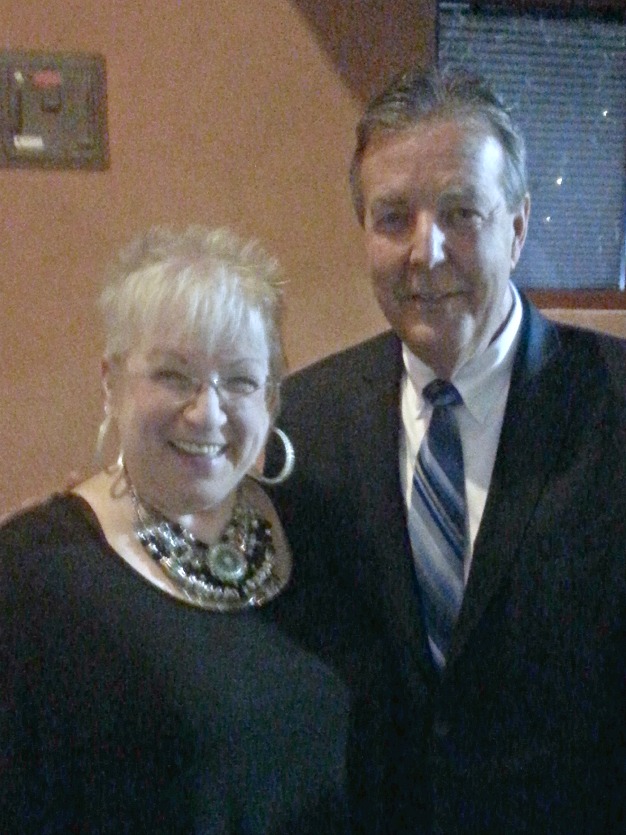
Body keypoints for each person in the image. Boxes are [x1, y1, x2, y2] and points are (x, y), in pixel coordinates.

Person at [267, 67, 626, 833]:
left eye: (461, 213)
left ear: (517, 227)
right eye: (393, 218)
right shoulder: (300, 425)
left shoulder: (615, 404)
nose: (425, 253)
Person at [0, 226, 363, 833]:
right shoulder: (32, 574)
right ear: (111, 382)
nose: (207, 413)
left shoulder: (322, 533)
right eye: (173, 376)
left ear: (272, 398)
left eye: (240, 381)